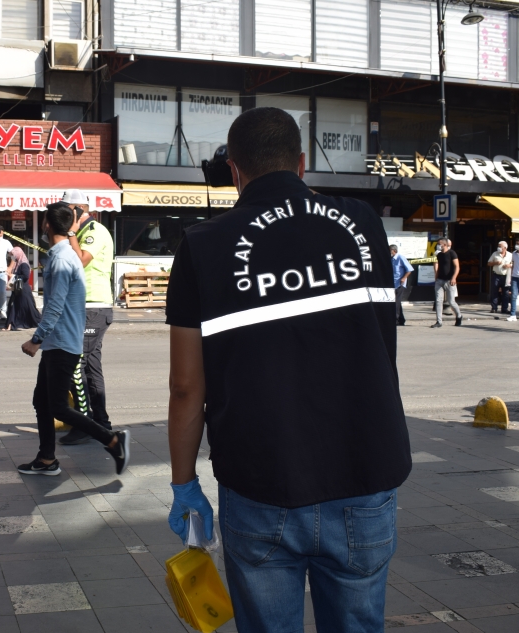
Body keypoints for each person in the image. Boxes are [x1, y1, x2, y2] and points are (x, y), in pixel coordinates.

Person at [165, 108, 410, 632]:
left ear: (234, 169)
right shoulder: (363, 223)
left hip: (261, 482)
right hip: (363, 470)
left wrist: (184, 484)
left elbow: (185, 387)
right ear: (301, 163)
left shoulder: (202, 244)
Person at [18, 202, 131, 477]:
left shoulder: (60, 260)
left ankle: (112, 440)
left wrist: (36, 339)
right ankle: (46, 459)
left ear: (47, 224)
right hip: (60, 341)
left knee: (57, 406)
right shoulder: (65, 255)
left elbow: (55, 306)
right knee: (42, 402)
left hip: (61, 342)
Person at [61, 189, 117, 444]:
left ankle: (84, 423)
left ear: (79, 209)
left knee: (75, 364)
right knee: (91, 366)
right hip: (85, 305)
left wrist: (71, 234)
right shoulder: (81, 232)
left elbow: (81, 260)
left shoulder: (95, 231)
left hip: (93, 306)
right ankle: (101, 423)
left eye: (67, 209)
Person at [4, 246, 40, 331]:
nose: (13, 257)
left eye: (14, 255)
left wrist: (14, 276)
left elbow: (26, 276)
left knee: (26, 307)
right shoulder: (18, 264)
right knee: (13, 306)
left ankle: (16, 324)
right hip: (17, 289)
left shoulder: (23, 264)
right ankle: (11, 324)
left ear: (18, 254)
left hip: (23, 290)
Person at [431, 238, 462, 329]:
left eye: (439, 243)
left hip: (449, 280)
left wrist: (454, 277)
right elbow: (438, 266)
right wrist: (436, 276)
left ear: (444, 244)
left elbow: (457, 267)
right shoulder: (439, 255)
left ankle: (459, 316)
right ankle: (439, 321)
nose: (438, 245)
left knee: (451, 301)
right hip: (439, 280)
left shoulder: (452, 253)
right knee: (438, 300)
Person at [487, 241, 512, 315]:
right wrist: (495, 263)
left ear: (505, 248)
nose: (498, 248)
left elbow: (514, 263)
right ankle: (494, 308)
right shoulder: (495, 254)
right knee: (494, 292)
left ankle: (504, 309)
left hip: (506, 276)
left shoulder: (510, 255)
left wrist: (509, 265)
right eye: (498, 246)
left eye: (500, 246)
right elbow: (489, 263)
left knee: (506, 293)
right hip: (496, 275)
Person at [390, 245, 413, 326]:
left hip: (399, 283)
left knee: (396, 302)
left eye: (390, 250)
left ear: (394, 251)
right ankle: (401, 319)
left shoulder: (400, 257)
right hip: (393, 283)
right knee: (397, 302)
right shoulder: (392, 259)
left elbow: (409, 269)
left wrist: (404, 278)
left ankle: (396, 319)